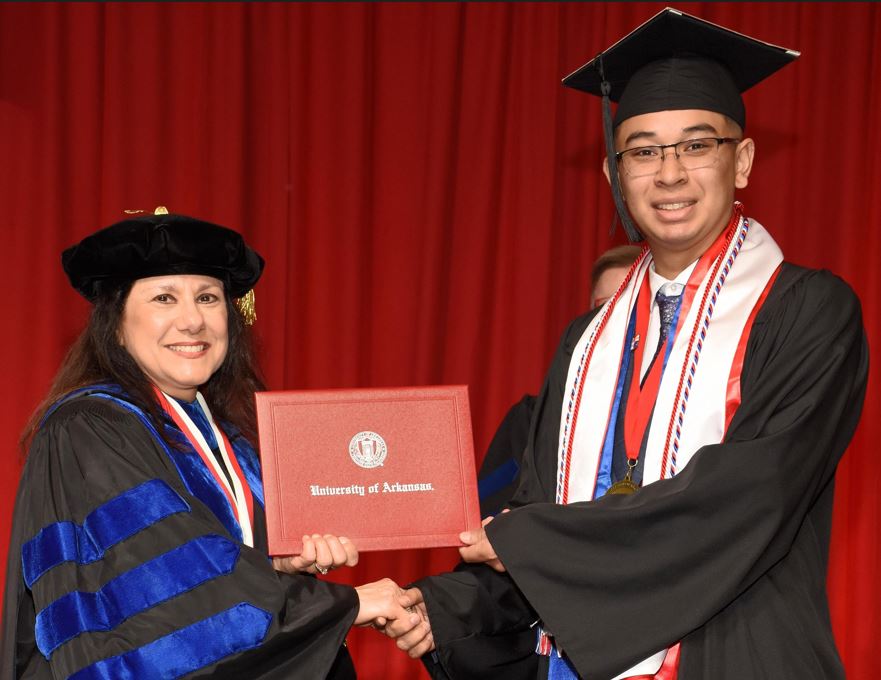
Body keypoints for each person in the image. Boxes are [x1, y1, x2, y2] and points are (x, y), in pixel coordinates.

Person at [385, 8, 869, 680]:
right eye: (641, 151)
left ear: (743, 161)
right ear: (614, 177)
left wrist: (528, 541)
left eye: (696, 146)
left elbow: (747, 496)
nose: (667, 174)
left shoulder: (808, 311)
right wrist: (441, 607)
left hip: (737, 654)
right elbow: (537, 511)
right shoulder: (587, 340)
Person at [1, 209, 425, 679]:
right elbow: (167, 584)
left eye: (208, 298)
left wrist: (280, 560)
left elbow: (215, 567)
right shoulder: (88, 427)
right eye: (164, 298)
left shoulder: (230, 441)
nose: (192, 321)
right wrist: (346, 603)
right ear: (117, 327)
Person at [478, 245, 641, 517]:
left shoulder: (684, 414)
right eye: (604, 308)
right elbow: (488, 512)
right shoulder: (531, 420)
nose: (616, 321)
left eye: (631, 308)